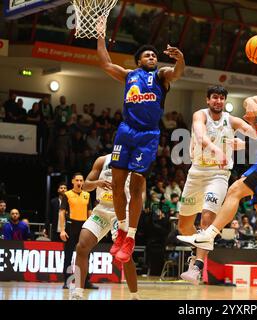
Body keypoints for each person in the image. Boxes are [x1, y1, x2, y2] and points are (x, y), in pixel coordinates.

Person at [178, 71, 257, 296]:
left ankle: (210, 233)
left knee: (234, 190)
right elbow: (249, 102)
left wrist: (243, 145)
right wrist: (251, 102)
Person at [97, 19, 185, 263]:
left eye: (154, 55)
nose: (152, 57)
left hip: (148, 135)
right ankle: (121, 232)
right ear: (138, 60)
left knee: (136, 185)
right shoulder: (129, 76)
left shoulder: (161, 76)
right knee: (116, 185)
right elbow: (104, 63)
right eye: (147, 55)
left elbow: (177, 72)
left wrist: (180, 59)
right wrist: (101, 36)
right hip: (125, 131)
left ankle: (132, 237)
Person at [177, 85, 257, 285]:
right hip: (196, 174)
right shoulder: (200, 115)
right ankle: (197, 251)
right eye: (214, 97)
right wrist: (217, 150)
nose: (218, 101)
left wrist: (250, 129)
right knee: (184, 226)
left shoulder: (231, 120)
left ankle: (197, 266)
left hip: (219, 175)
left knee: (207, 218)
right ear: (208, 100)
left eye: (221, 98)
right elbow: (200, 136)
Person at [70, 154, 141, 300]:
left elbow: (139, 192)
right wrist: (97, 183)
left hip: (122, 211)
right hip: (102, 209)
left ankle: (134, 295)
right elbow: (86, 185)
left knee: (125, 255)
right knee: (81, 246)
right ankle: (78, 292)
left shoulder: (135, 161)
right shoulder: (102, 160)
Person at [58, 173, 97, 290]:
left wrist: (93, 228)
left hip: (84, 227)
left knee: (86, 255)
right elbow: (61, 213)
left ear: (84, 182)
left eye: (81, 180)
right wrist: (62, 230)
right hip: (70, 227)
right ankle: (67, 281)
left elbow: (90, 213)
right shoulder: (67, 195)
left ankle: (85, 282)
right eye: (77, 180)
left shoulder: (87, 195)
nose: (79, 182)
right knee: (68, 256)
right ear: (73, 181)